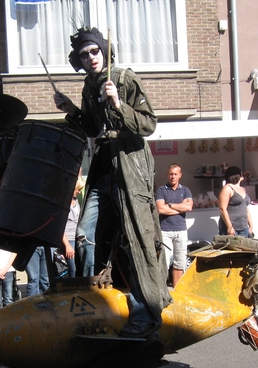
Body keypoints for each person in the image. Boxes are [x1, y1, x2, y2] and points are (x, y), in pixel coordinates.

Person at [53, 26, 171, 338]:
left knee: (135, 238)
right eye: (83, 55)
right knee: (84, 234)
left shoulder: (124, 78)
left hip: (131, 166)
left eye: (94, 51)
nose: (90, 58)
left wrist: (119, 104)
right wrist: (70, 110)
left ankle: (146, 310)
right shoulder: (88, 85)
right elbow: (92, 127)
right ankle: (93, 303)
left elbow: (148, 124)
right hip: (104, 166)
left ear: (105, 51)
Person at [155, 164, 193, 287]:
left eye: (175, 174)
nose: (173, 176)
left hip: (181, 230)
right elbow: (160, 209)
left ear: (180, 175)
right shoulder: (161, 190)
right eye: (171, 173)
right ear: (167, 174)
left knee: (179, 261)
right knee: (164, 261)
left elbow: (189, 207)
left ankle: (176, 290)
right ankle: (162, 289)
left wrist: (170, 205)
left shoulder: (185, 190)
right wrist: (180, 208)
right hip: (165, 230)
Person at [60, 178, 85, 278]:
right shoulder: (63, 202)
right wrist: (67, 245)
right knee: (73, 268)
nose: (79, 192)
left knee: (79, 268)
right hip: (68, 239)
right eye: (78, 189)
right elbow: (60, 227)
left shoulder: (76, 201)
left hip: (77, 238)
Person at [218, 166, 253, 237]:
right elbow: (222, 209)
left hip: (244, 227)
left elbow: (247, 209)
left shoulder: (242, 189)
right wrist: (229, 227)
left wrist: (251, 225)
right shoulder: (227, 188)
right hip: (232, 228)